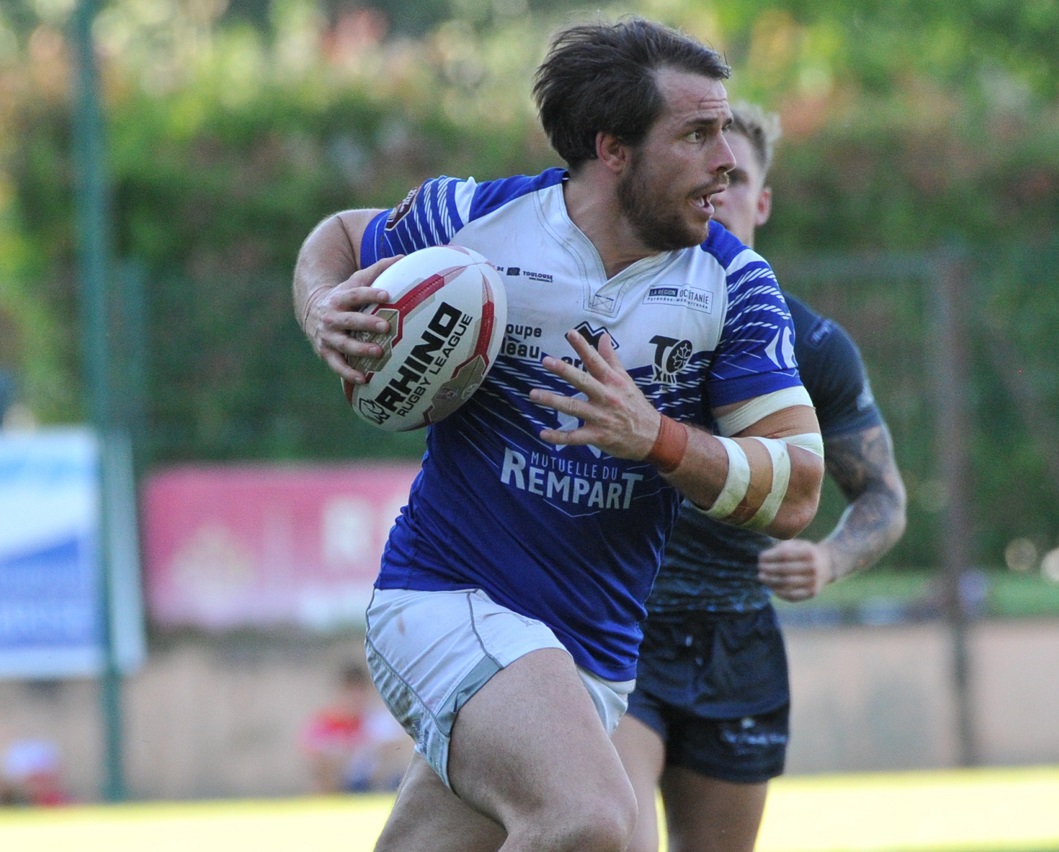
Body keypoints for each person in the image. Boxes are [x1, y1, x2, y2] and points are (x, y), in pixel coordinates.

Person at [292, 18, 825, 851]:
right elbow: (336, 238)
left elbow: (796, 489)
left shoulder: (735, 286)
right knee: (589, 818)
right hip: (447, 600)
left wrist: (656, 438)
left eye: (725, 130)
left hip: (592, 660)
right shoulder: (479, 224)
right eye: (696, 134)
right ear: (613, 149)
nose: (726, 159)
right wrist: (324, 308)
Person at [611, 103, 908, 852]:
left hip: (737, 640)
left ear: (763, 202)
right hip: (617, 624)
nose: (718, 191)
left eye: (735, 178)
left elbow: (883, 496)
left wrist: (828, 559)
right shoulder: (616, 308)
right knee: (611, 835)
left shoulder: (814, 345)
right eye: (702, 174)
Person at [300, 662, 409, 794]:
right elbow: (316, 763)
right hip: (340, 788)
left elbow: (391, 757)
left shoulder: (378, 722)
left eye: (360, 691)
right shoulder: (324, 725)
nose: (355, 698)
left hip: (373, 786)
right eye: (350, 691)